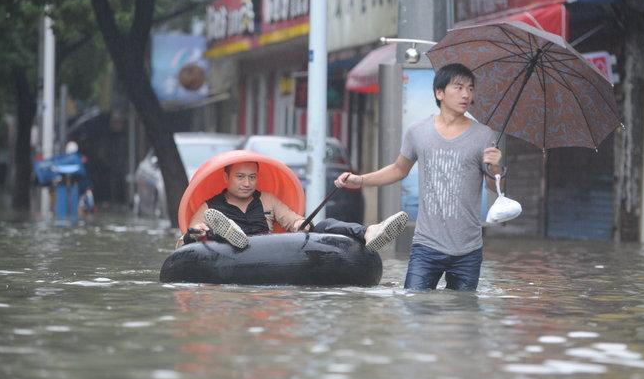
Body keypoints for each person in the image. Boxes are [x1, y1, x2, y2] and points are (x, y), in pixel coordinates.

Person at [335, 63, 503, 291]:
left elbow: (495, 187)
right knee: (414, 307)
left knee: (464, 316)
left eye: (471, 88)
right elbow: (398, 169)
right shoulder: (418, 131)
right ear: (439, 93)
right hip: (426, 245)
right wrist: (361, 180)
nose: (466, 94)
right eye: (459, 87)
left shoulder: (484, 135)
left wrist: (495, 167)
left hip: (468, 250)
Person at [177, 161, 408, 251]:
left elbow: (293, 220)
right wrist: (198, 233)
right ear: (226, 178)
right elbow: (182, 242)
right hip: (226, 251)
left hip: (261, 248)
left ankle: (368, 231)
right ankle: (227, 233)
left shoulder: (266, 199)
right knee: (202, 234)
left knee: (322, 225)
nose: (247, 183)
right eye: (240, 177)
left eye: (252, 177)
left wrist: (300, 225)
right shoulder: (210, 207)